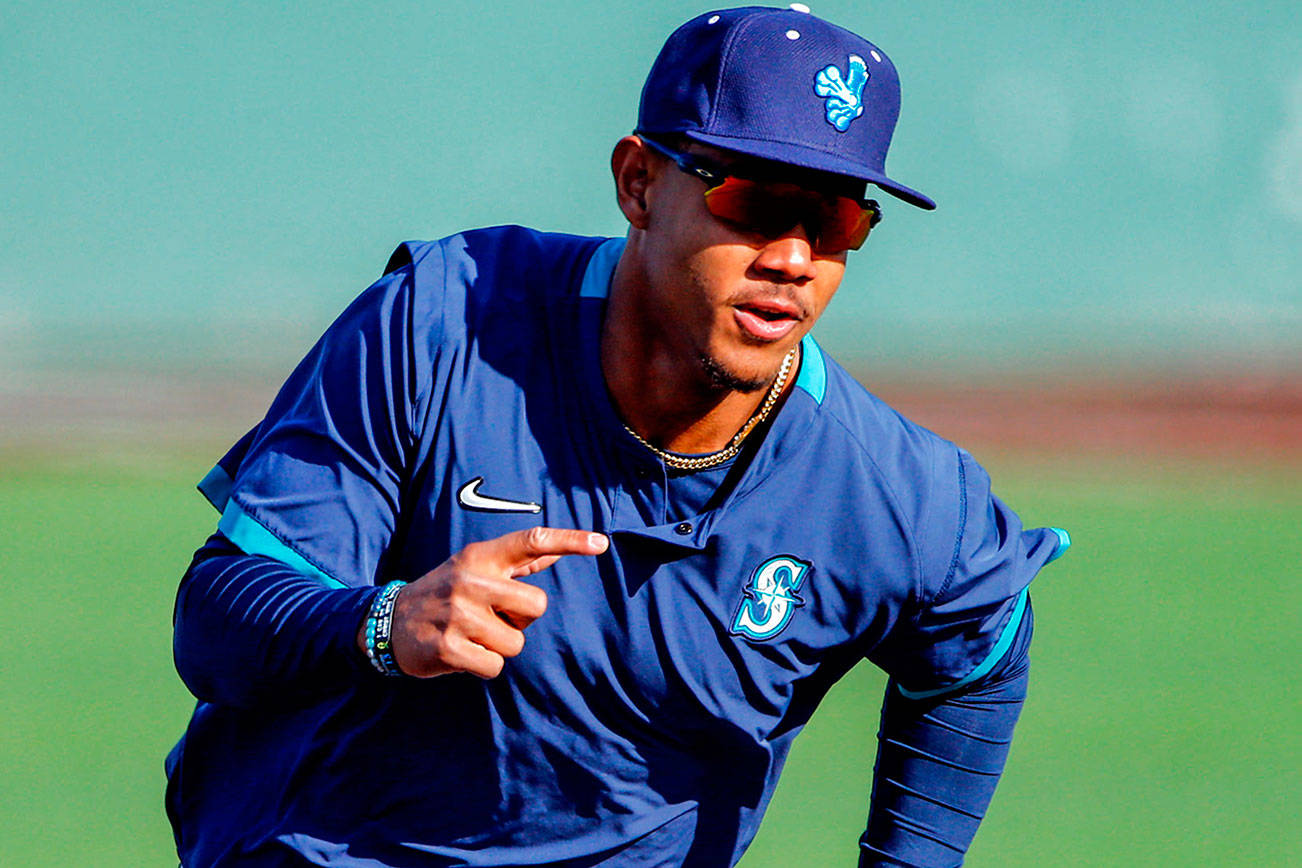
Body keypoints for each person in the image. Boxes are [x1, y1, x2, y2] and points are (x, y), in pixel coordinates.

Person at [166, 6, 1069, 867]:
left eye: (836, 220)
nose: (793, 258)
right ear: (639, 182)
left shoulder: (892, 493)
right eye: (753, 200)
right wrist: (381, 622)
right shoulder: (446, 322)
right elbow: (216, 620)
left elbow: (979, 646)